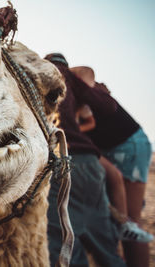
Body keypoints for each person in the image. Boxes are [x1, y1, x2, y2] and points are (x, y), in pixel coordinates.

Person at [44, 53, 126, 267]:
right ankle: (126, 225)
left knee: (62, 245)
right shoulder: (72, 81)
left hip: (58, 162)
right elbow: (109, 107)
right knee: (104, 244)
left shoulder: (38, 77)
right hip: (88, 163)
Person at [72, 66, 153, 267]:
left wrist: (69, 130)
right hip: (108, 149)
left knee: (129, 222)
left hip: (127, 144)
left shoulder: (77, 87)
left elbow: (87, 73)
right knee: (113, 219)